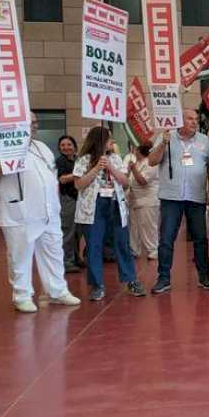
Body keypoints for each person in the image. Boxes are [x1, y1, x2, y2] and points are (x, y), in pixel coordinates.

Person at [0, 112, 81, 313]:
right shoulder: (1, 146)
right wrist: (7, 162)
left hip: (49, 212)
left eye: (35, 123)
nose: (34, 126)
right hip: (20, 212)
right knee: (20, 256)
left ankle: (58, 290)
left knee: (54, 252)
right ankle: (22, 295)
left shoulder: (42, 147)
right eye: (30, 123)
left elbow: (51, 175)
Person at [73, 127, 147, 300]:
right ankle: (97, 285)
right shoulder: (84, 160)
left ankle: (131, 280)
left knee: (122, 243)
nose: (112, 142)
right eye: (109, 139)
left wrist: (111, 168)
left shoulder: (114, 158)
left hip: (114, 204)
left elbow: (124, 183)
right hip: (93, 207)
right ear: (99, 141)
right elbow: (78, 184)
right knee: (94, 246)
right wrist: (96, 168)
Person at [147, 108, 209, 293]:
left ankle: (204, 277)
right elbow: (152, 161)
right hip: (171, 197)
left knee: (200, 239)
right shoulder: (166, 136)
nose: (194, 122)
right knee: (166, 239)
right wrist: (162, 144)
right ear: (179, 120)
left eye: (196, 119)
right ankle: (164, 279)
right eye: (190, 119)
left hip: (196, 196)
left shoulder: (203, 140)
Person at [128, 143, 159, 261]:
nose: (134, 151)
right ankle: (134, 250)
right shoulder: (137, 162)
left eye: (136, 149)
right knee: (134, 228)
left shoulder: (151, 163)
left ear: (140, 151)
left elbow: (143, 181)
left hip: (148, 200)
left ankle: (153, 249)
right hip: (134, 200)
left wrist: (133, 169)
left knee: (148, 226)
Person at [56, 135, 81, 272]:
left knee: (77, 232)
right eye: (63, 145)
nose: (66, 147)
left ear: (74, 146)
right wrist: (79, 174)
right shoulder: (60, 161)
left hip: (78, 198)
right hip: (67, 199)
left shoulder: (76, 161)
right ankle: (66, 261)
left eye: (69, 144)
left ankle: (76, 258)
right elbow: (62, 179)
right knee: (68, 231)